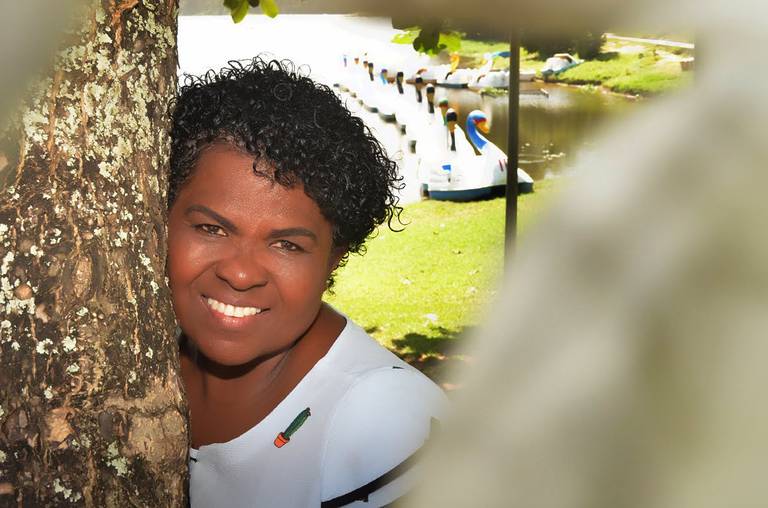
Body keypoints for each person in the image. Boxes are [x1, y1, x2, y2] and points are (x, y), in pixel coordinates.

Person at [167, 57, 447, 508]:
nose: (240, 273)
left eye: (287, 245)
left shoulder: (390, 423)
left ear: (334, 258)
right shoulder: (135, 357)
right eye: (211, 229)